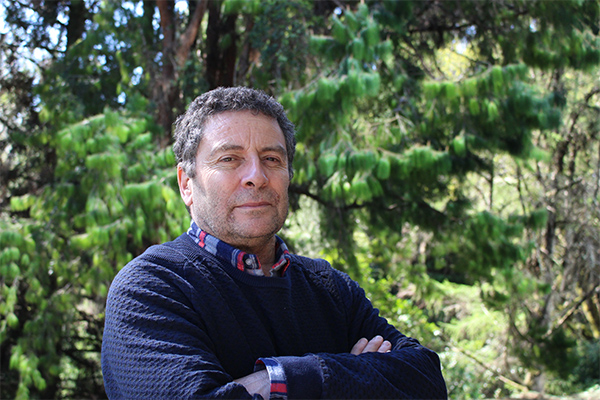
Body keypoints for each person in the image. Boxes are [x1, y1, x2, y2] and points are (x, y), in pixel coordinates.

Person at [101, 87, 447, 399]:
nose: (256, 176)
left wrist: (280, 380)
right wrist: (354, 377)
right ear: (186, 184)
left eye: (272, 159)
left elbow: (428, 381)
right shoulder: (151, 288)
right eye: (229, 159)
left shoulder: (330, 289)